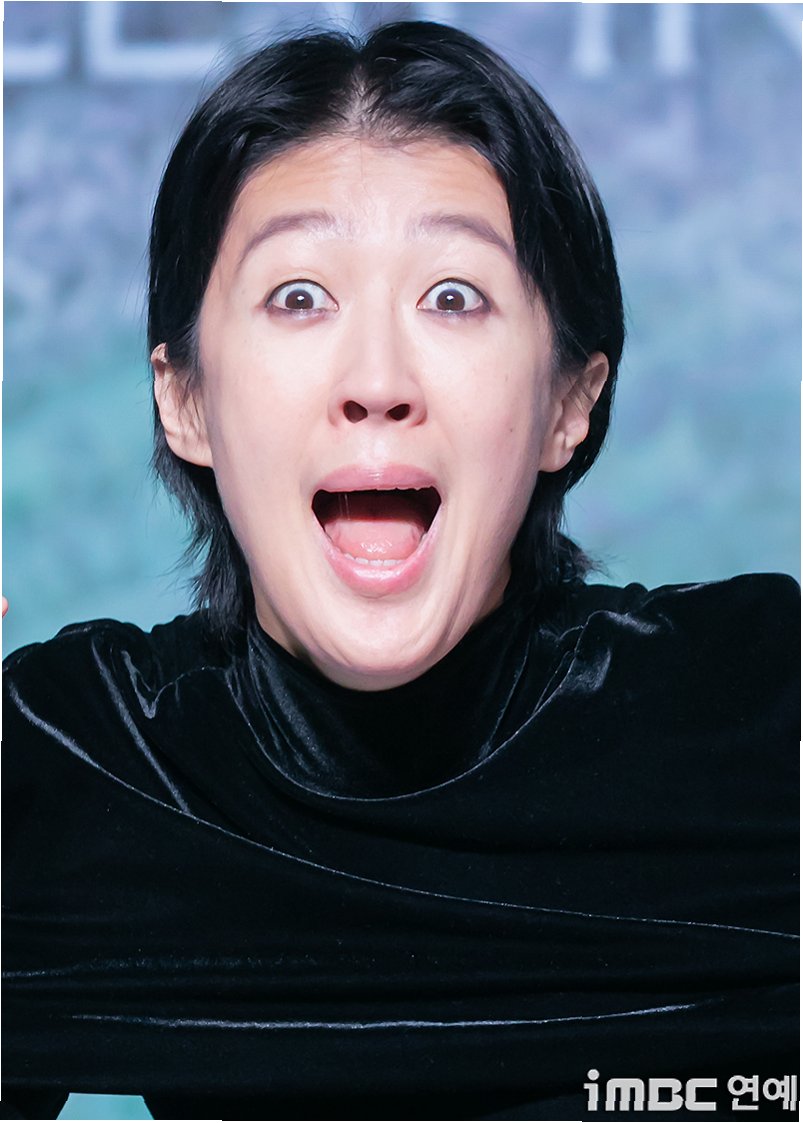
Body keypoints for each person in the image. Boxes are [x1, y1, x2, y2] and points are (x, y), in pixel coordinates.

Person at [2, 20, 797, 1122]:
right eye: (298, 296)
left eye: (452, 296)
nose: (376, 379)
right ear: (185, 400)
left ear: (567, 402)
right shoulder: (76, 764)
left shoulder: (756, 714)